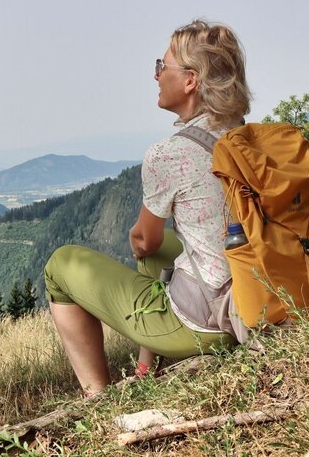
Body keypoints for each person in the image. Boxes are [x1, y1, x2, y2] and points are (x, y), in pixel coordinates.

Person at [43, 20, 252, 395]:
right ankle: (145, 365)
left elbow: (145, 242)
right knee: (173, 242)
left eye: (162, 66)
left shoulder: (169, 153)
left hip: (208, 323)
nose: (155, 75)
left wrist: (138, 238)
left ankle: (98, 397)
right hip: (260, 299)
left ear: (190, 80)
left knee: (60, 265)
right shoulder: (248, 137)